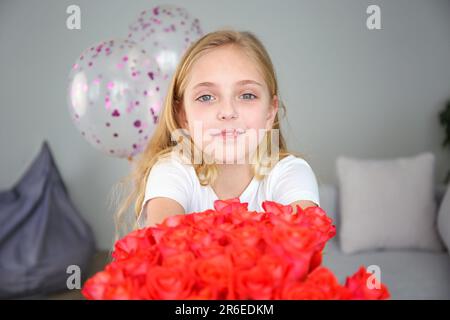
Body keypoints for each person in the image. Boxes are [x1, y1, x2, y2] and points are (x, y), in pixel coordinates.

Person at [113, 29, 321, 238]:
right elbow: (164, 248)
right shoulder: (172, 170)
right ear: (183, 114)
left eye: (247, 95)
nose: (228, 112)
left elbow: (301, 246)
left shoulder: (291, 173)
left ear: (270, 112)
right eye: (206, 97)